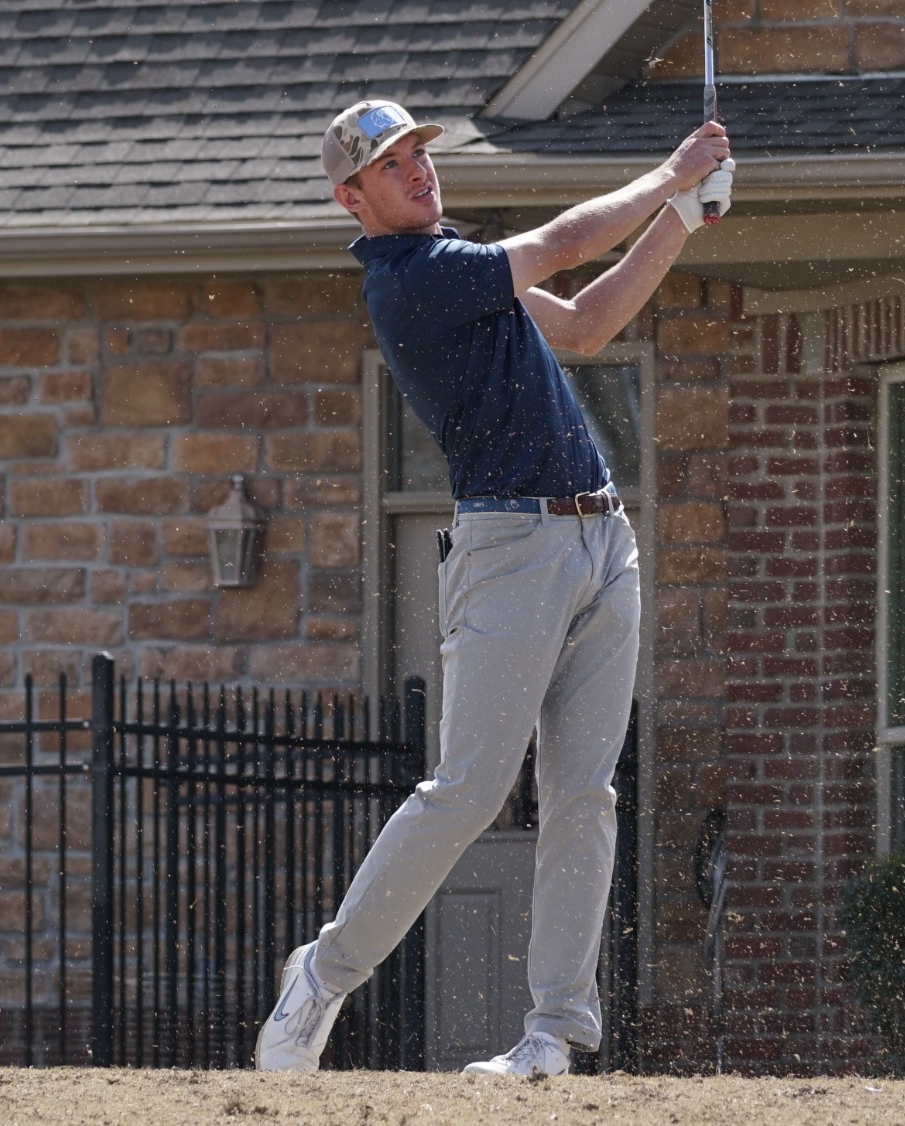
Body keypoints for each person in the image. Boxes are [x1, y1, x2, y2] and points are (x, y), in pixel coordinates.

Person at [255, 99, 734, 1077]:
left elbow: (590, 323)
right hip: (509, 545)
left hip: (601, 536)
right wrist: (669, 173)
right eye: (393, 167)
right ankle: (326, 970)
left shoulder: (461, 267)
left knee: (583, 796)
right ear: (352, 198)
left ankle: (553, 1035)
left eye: (419, 155)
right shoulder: (412, 279)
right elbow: (561, 244)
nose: (419, 171)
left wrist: (683, 220)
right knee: (467, 789)